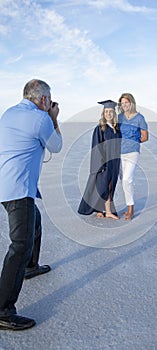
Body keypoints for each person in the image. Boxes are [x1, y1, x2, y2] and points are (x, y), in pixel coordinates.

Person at [0, 79, 62, 330]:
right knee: (20, 244)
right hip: (18, 188)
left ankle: (31, 266)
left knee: (34, 223)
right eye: (49, 101)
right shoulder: (40, 118)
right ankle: (3, 310)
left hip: (6, 184)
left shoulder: (10, 112)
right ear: (44, 100)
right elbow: (55, 146)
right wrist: (54, 118)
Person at [78, 100, 121, 220]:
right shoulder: (100, 128)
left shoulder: (116, 129)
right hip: (105, 163)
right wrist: (100, 165)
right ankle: (105, 210)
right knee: (103, 187)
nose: (108, 114)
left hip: (115, 163)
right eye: (106, 111)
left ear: (114, 113)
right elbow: (96, 147)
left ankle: (101, 209)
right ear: (103, 113)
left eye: (111, 111)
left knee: (110, 187)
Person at [118, 93, 148, 220]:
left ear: (132, 103)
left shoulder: (140, 118)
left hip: (132, 152)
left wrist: (134, 142)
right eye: (122, 103)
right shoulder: (119, 117)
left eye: (127, 102)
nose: (124, 105)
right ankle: (127, 205)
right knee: (123, 180)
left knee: (127, 180)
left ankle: (131, 208)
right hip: (119, 152)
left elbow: (145, 137)